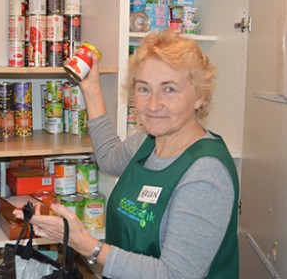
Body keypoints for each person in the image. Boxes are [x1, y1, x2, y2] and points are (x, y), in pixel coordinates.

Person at [14, 30, 239, 278]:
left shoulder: (205, 173)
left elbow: (175, 275)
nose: (153, 105)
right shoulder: (149, 139)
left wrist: (89, 246)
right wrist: (90, 88)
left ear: (200, 96)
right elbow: (109, 158)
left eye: (170, 89)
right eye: (144, 89)